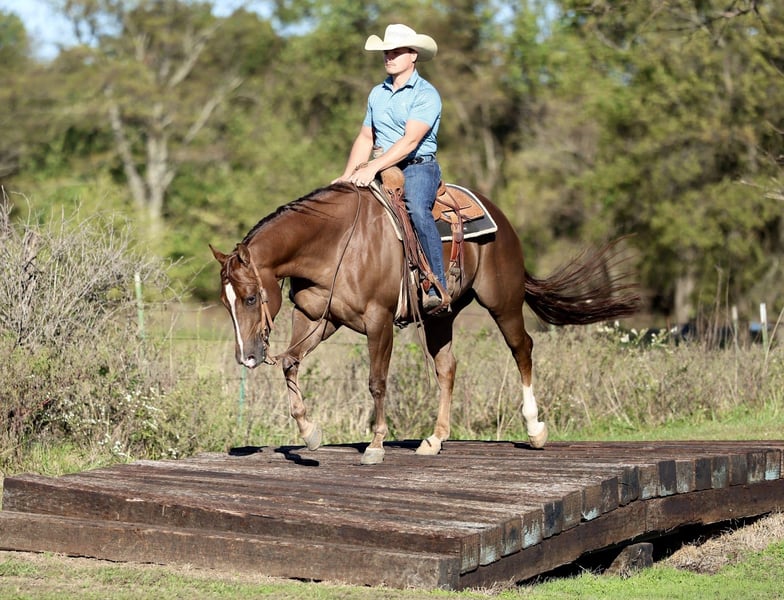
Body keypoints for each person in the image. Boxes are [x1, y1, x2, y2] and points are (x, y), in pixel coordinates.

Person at [333, 23, 448, 312]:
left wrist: (371, 168)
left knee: (417, 209)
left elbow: (410, 142)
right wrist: (347, 175)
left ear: (414, 55)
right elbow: (366, 137)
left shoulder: (426, 94)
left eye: (396, 52)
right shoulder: (377, 93)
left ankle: (436, 284)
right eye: (387, 52)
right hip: (381, 165)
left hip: (417, 167)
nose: (389, 56)